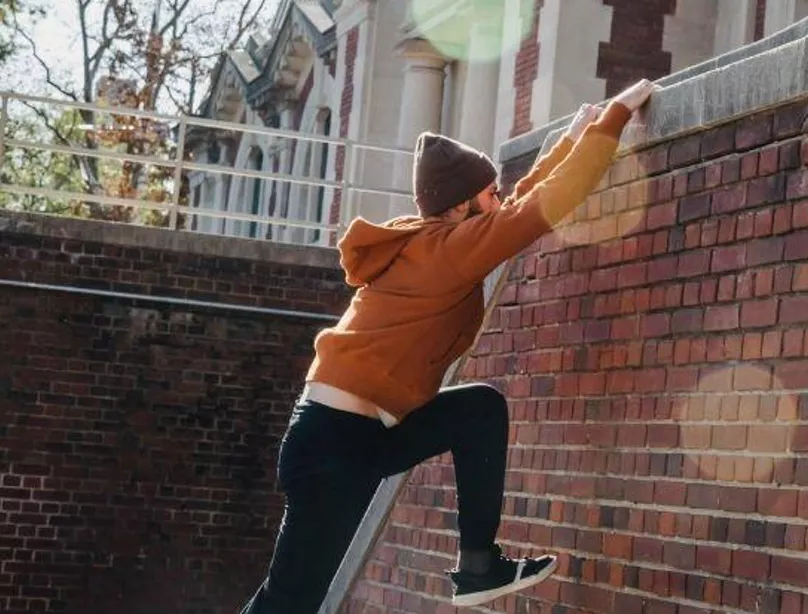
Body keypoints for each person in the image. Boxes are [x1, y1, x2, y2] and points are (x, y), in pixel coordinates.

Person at [239, 79, 657, 613]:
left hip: (364, 437)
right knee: (291, 602)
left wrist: (569, 141)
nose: (499, 197)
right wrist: (615, 116)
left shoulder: (443, 240)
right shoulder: (446, 253)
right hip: (332, 444)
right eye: (488, 193)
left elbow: (514, 205)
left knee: (479, 409)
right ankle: (479, 566)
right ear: (460, 206)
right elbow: (539, 209)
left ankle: (479, 566)